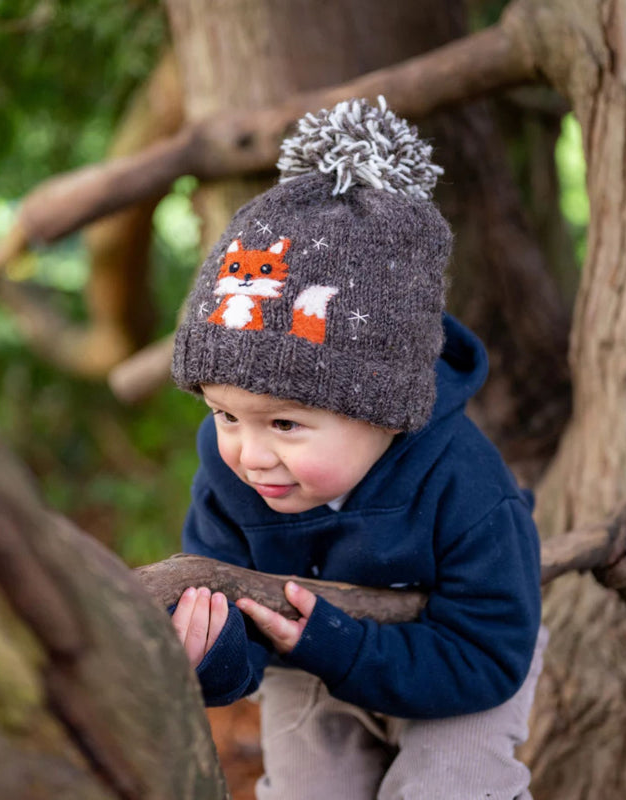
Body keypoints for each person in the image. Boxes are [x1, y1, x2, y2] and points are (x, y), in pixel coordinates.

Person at [170, 97, 546, 800]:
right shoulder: (231, 478)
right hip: (307, 659)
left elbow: (488, 654)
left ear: (385, 411)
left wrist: (337, 643)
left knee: (453, 786)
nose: (249, 454)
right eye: (225, 415)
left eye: (284, 425)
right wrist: (210, 654)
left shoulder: (464, 487)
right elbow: (234, 612)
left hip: (453, 660)